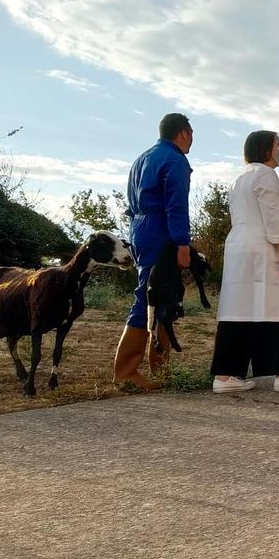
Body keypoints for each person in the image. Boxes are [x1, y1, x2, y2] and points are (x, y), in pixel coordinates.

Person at [210, 130, 279, 392]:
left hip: (239, 248)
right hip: (264, 247)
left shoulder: (241, 178)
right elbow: (273, 216)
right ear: (266, 149)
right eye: (278, 144)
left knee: (239, 310)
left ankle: (225, 376)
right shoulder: (266, 175)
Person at [113, 112, 193, 390]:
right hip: (161, 231)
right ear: (183, 133)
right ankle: (126, 371)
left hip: (140, 228)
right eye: (191, 134)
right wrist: (183, 244)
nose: (192, 140)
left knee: (161, 296)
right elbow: (176, 204)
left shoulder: (141, 159)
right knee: (151, 294)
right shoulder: (174, 160)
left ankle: (159, 368)